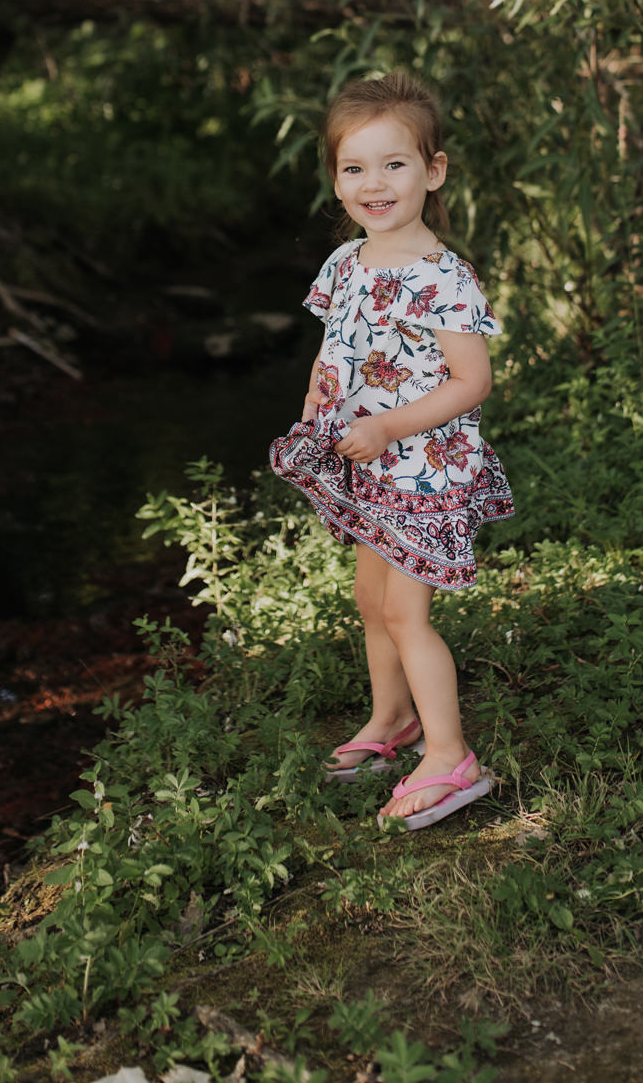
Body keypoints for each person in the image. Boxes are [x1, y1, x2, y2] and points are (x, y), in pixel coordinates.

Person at [269, 72, 513, 830]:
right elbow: (334, 348)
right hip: (368, 466)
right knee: (369, 600)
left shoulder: (443, 280)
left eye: (394, 163)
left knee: (408, 614)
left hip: (422, 471)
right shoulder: (345, 264)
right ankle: (392, 719)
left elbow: (473, 381)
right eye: (354, 168)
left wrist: (388, 426)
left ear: (433, 171)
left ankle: (450, 755)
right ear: (336, 181)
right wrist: (319, 393)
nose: (374, 183)